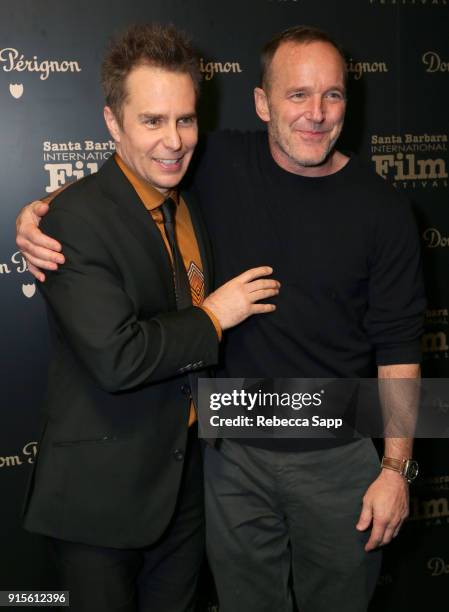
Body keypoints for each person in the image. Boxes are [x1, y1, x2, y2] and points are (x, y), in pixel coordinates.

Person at [16, 25, 425, 612]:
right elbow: (125, 182)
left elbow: (401, 346)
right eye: (297, 95)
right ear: (261, 103)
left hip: (341, 462)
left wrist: (397, 469)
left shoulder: (387, 208)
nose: (315, 113)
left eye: (332, 95)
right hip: (230, 461)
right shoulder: (217, 162)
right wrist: (40, 213)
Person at [17, 23, 280, 612]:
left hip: (184, 488)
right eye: (152, 121)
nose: (174, 140)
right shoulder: (73, 219)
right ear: (113, 123)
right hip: (98, 500)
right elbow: (117, 356)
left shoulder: (188, 201)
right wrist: (214, 317)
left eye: (184, 119)